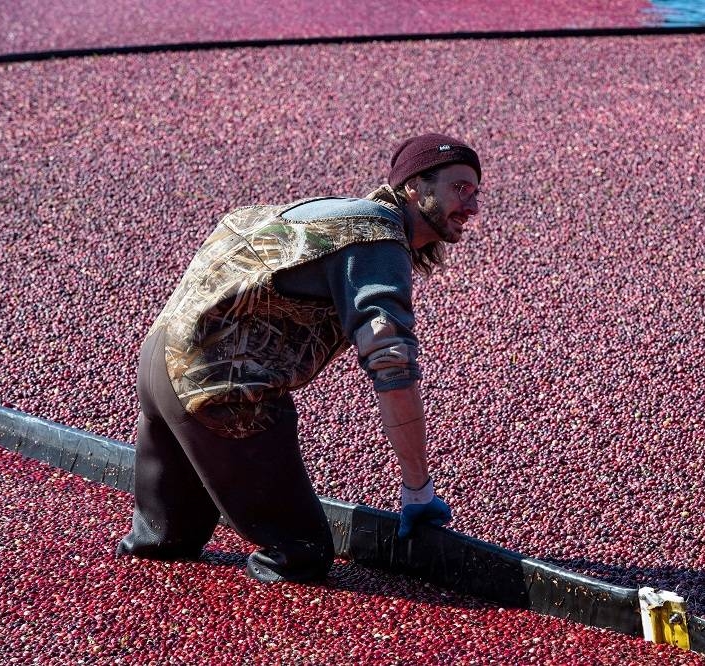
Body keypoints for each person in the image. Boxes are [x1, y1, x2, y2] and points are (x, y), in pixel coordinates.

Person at [116, 133, 482, 583]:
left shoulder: (332, 214)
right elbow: (392, 365)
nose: (472, 206)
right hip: (219, 388)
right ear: (414, 186)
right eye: (459, 189)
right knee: (301, 553)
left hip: (158, 366)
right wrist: (418, 489)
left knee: (163, 542)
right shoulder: (378, 239)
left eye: (475, 192)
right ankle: (253, 624)